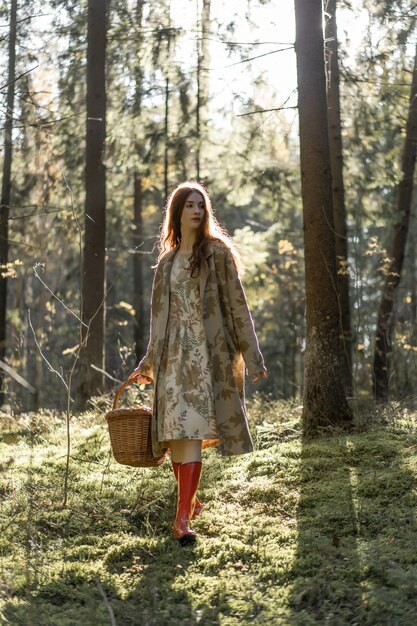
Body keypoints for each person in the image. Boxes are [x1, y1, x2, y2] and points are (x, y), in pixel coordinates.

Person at [128, 181, 267, 546]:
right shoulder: (167, 263)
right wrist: (148, 363)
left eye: (201, 206)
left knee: (190, 431)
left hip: (205, 356)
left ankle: (182, 520)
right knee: (175, 436)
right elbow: (159, 320)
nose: (196, 211)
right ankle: (190, 501)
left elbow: (238, 305)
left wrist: (252, 356)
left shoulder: (216, 254)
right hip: (172, 356)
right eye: (189, 205)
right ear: (177, 212)